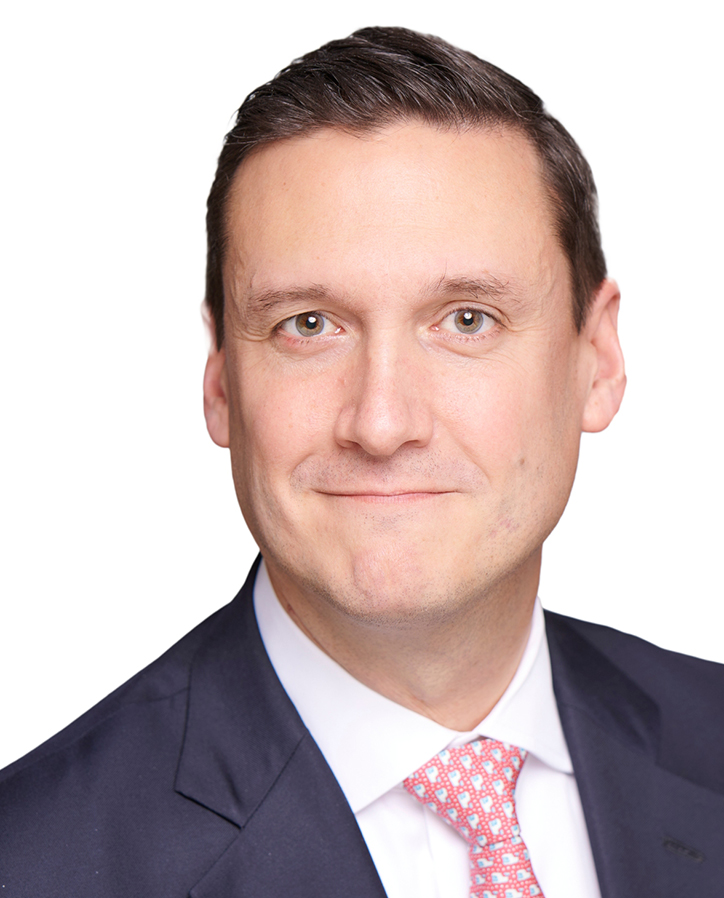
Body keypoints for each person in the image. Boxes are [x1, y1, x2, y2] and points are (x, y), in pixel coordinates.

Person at [1, 25, 722, 898]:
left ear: (597, 360)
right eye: (308, 325)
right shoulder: (32, 862)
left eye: (467, 320)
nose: (381, 424)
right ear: (222, 381)